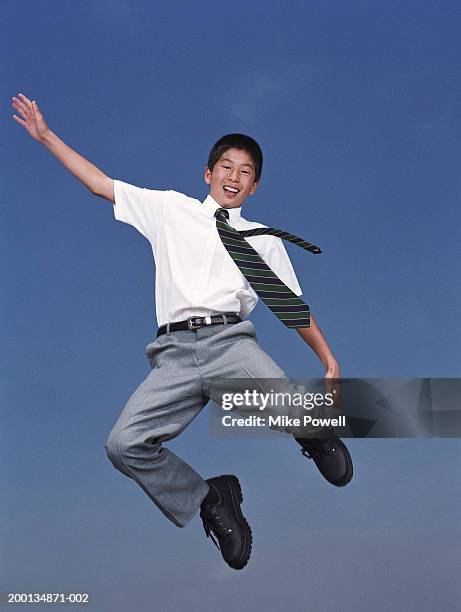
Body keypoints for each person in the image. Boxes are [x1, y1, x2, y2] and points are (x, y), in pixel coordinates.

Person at [12, 93, 353, 571]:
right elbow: (99, 185)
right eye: (226, 167)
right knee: (123, 444)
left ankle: (313, 434)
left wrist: (328, 358)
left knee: (280, 395)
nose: (234, 177)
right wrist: (46, 136)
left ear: (255, 186)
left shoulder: (264, 240)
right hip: (172, 355)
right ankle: (211, 500)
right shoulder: (169, 210)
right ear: (207, 173)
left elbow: (289, 307)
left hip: (228, 343)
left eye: (246, 172)